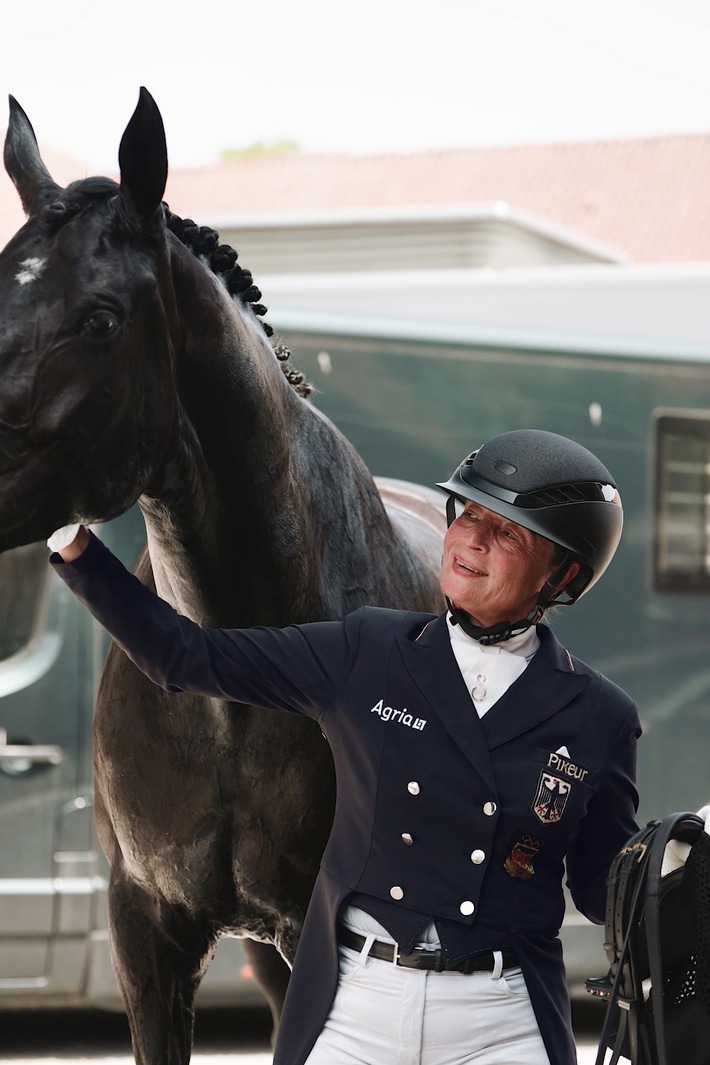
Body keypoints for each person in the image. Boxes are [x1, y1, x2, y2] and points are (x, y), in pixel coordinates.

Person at [47, 429, 640, 1065]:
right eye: (468, 514)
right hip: (356, 1009)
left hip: (504, 1020)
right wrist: (72, 543)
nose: (472, 539)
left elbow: (599, 889)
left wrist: (674, 863)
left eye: (507, 533)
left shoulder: (600, 715)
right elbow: (183, 656)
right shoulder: (368, 649)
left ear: (562, 573)